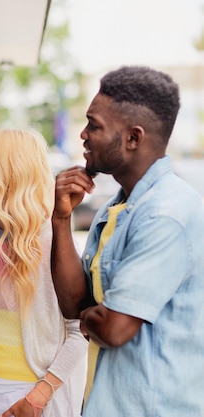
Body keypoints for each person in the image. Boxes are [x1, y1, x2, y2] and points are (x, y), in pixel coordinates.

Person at [51, 65, 204, 416]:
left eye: (94, 125)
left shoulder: (166, 213)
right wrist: (61, 219)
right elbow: (75, 307)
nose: (83, 135)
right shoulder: (116, 208)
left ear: (133, 138)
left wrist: (97, 318)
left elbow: (115, 329)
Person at [0, 128, 88, 417]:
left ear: (7, 174)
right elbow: (2, 323)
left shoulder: (51, 240)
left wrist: (37, 398)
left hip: (32, 399)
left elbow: (81, 331)